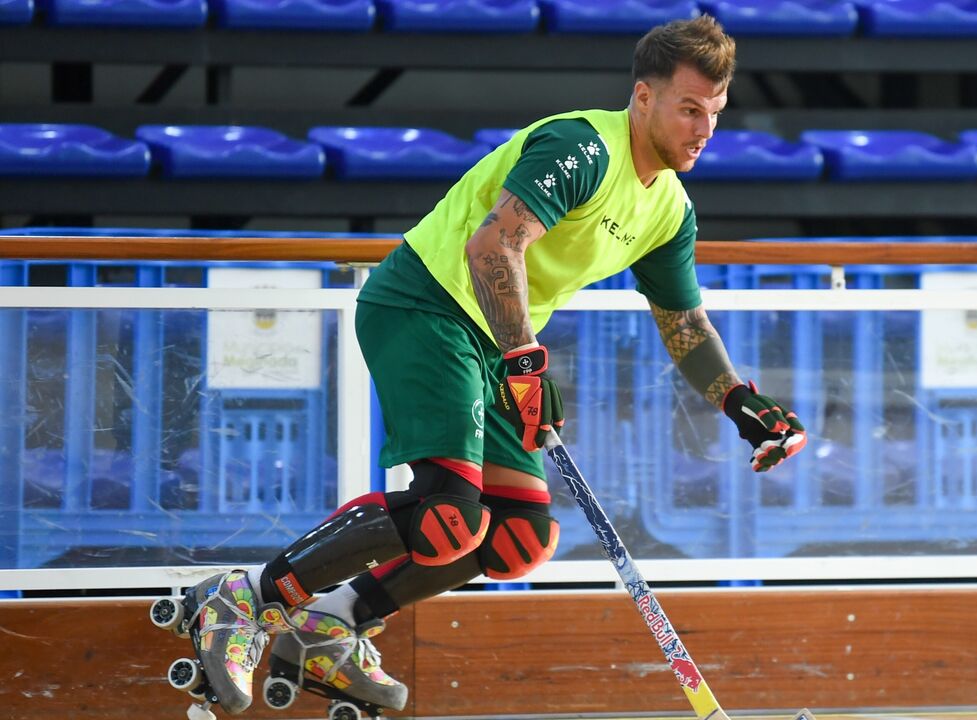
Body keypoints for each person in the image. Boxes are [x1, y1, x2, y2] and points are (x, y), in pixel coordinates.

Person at [172, 15, 807, 716]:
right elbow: (489, 251)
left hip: (498, 346)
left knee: (517, 534)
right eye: (690, 108)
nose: (703, 128)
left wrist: (739, 400)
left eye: (714, 113)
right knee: (446, 512)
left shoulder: (669, 211)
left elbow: (684, 324)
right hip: (428, 304)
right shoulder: (582, 147)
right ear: (644, 97)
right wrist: (525, 362)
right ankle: (242, 601)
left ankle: (333, 623)